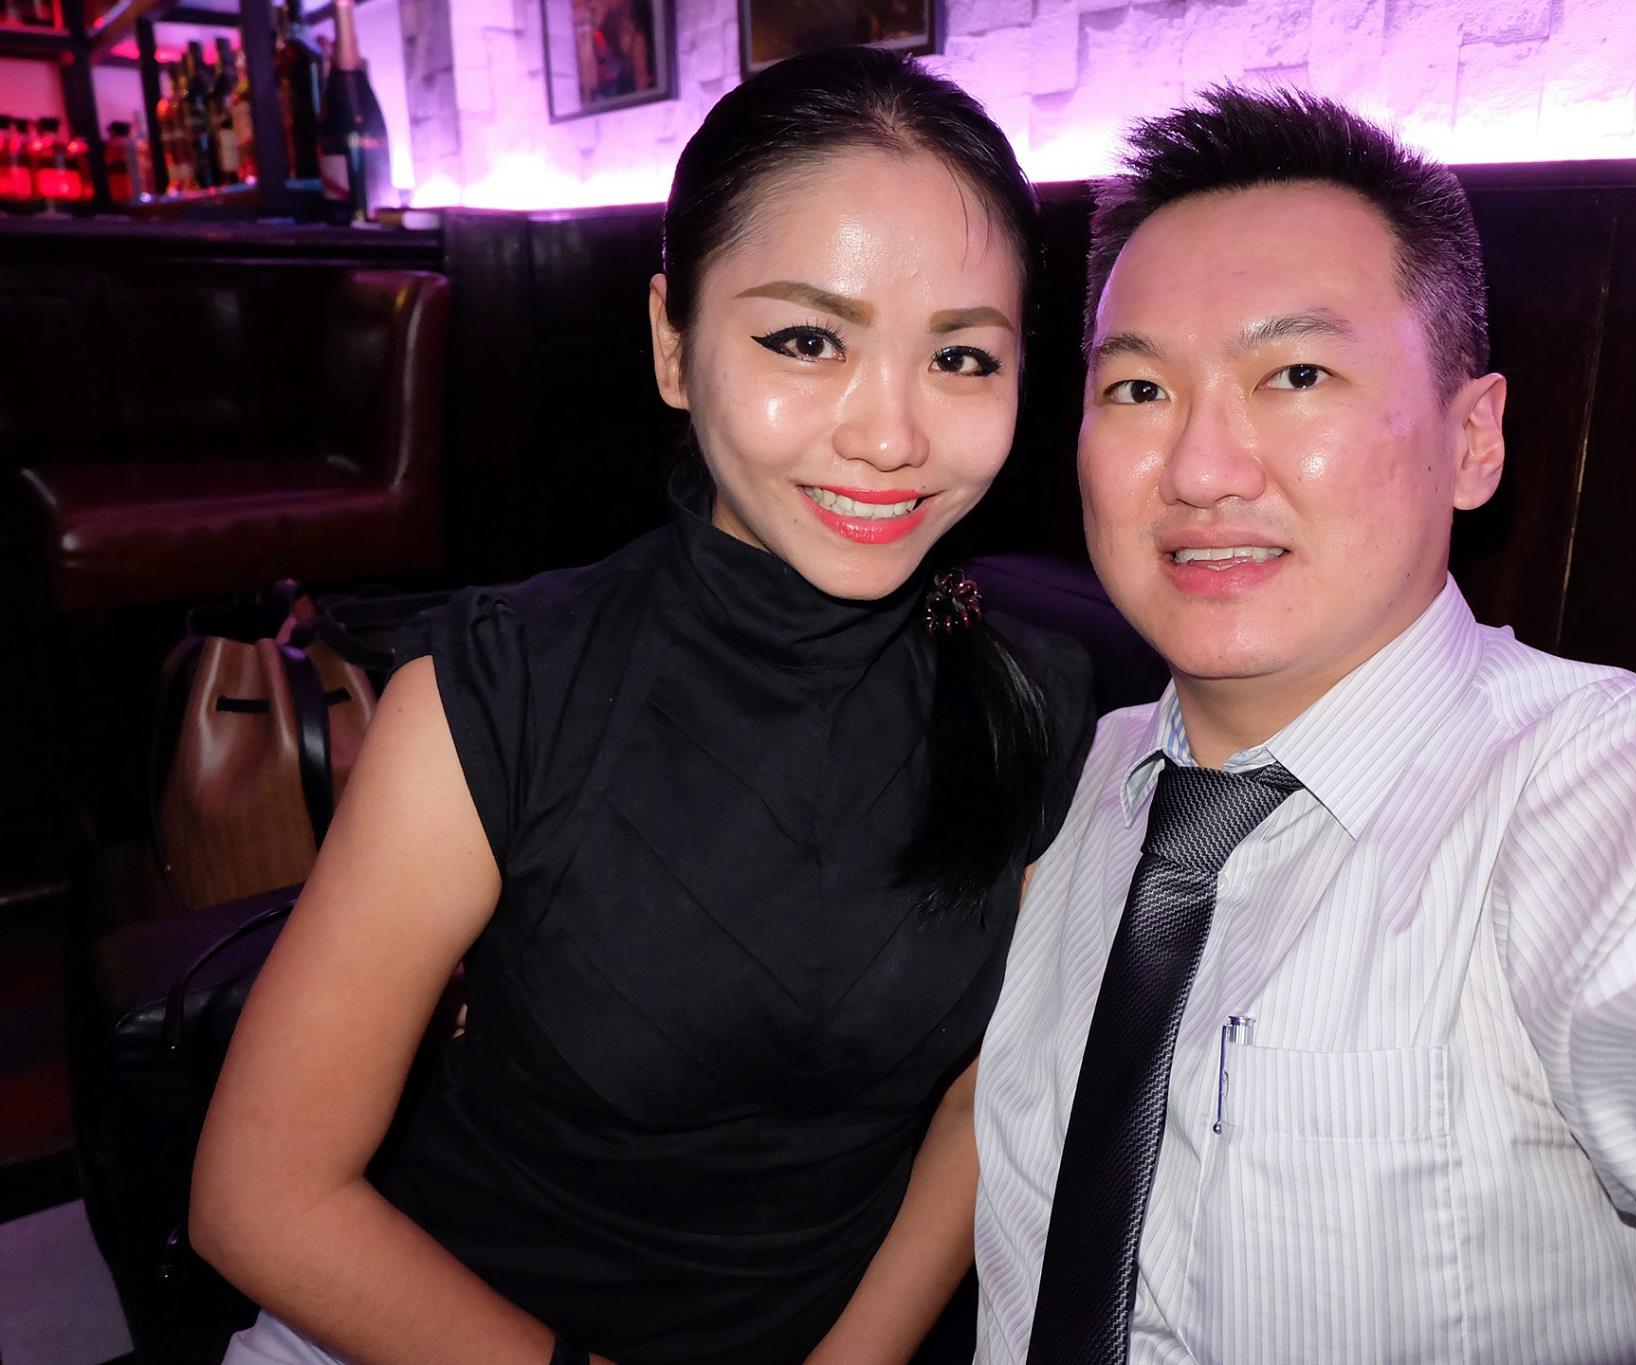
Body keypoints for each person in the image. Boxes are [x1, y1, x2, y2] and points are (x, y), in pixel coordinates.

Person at [973, 87, 1636, 1365]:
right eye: (1139, 387)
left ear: (1472, 438)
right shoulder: (1084, 781)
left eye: (1296, 375)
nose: (1200, 469)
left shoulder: (1610, 785)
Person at [190, 47, 1092, 1365]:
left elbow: (980, 1103)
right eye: (806, 340)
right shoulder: (504, 689)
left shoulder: (1029, 698)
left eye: (960, 356)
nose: (889, 434)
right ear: (673, 343)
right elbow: (262, 1199)